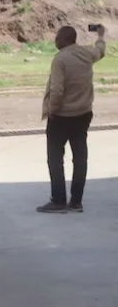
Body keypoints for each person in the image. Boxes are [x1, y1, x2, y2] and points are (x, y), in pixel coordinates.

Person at [37, 24, 107, 213]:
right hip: (83, 114)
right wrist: (100, 35)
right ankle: (76, 201)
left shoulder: (60, 59)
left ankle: (58, 201)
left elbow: (58, 89)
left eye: (58, 37)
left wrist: (52, 110)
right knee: (80, 157)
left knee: (55, 159)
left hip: (61, 117)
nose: (55, 40)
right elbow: (100, 50)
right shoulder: (86, 54)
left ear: (66, 39)